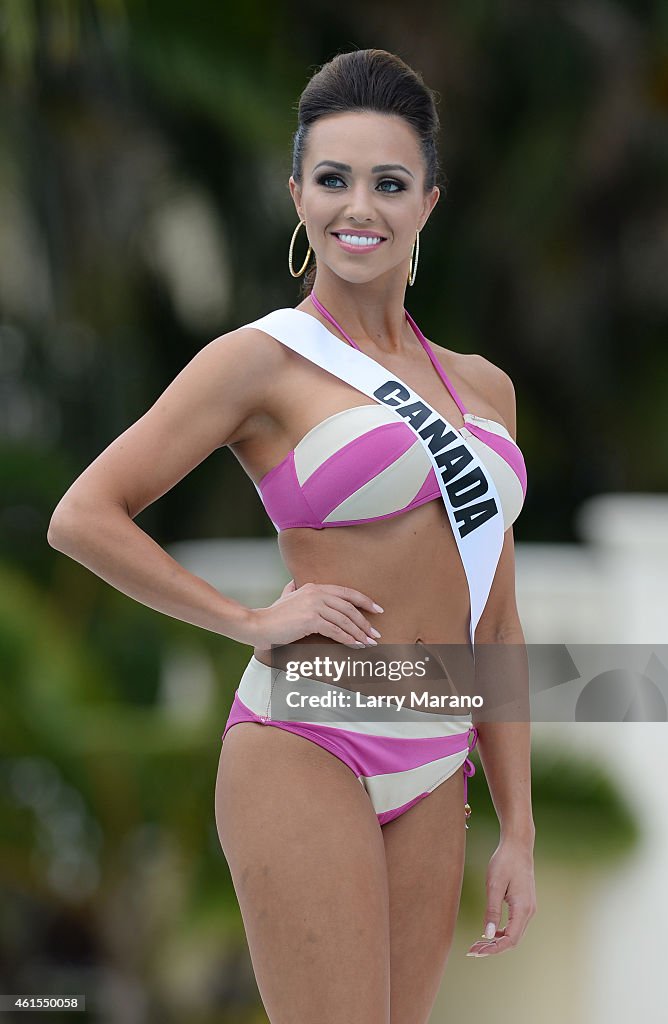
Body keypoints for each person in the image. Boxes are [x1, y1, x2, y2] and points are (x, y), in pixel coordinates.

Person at [48, 47, 536, 1024]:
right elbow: (83, 516)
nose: (359, 206)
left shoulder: (483, 388)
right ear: (297, 194)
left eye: (388, 182)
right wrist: (246, 617)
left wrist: (517, 827)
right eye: (333, 179)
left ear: (428, 202)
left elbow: (497, 619)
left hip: (437, 756)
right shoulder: (260, 363)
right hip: (305, 737)